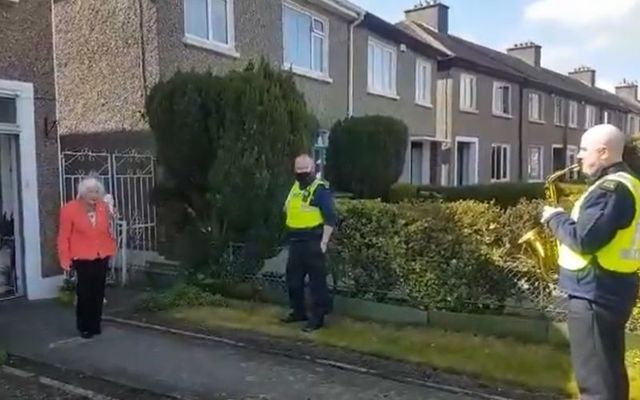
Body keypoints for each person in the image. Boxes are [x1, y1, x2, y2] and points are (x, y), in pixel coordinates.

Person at [541, 124, 640, 400]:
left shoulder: (610, 189)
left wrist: (555, 217)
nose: (579, 156)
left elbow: (584, 240)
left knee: (595, 383)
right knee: (607, 373)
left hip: (595, 292)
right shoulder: (629, 184)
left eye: (584, 150)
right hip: (609, 288)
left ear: (604, 151)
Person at [281, 154, 337, 332]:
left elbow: (330, 217)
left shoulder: (320, 189)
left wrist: (324, 242)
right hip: (296, 241)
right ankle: (298, 312)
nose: (301, 175)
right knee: (293, 280)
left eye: (304, 171)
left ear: (313, 169)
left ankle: (317, 318)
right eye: (298, 171)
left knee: (317, 283)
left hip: (314, 240)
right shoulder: (295, 187)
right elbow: (287, 207)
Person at [57, 177, 117, 339]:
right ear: (83, 193)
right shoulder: (69, 209)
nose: (94, 195)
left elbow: (107, 228)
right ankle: (84, 326)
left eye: (97, 192)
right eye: (90, 191)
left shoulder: (103, 208)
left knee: (98, 291)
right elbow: (64, 236)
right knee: (85, 292)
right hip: (81, 256)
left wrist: (112, 212)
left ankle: (95, 324)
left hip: (101, 254)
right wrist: (65, 258)